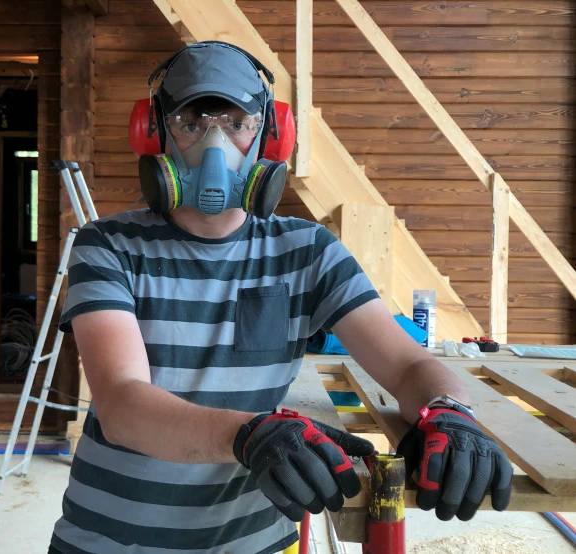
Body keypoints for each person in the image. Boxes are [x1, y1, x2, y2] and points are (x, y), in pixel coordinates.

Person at [48, 41, 513, 554]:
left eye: (236, 123)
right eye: (191, 122)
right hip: (109, 541)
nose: (214, 144)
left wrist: (448, 410)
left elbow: (405, 364)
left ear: (270, 135)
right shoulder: (107, 246)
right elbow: (121, 402)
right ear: (154, 132)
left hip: (255, 543)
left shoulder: (309, 250)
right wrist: (250, 434)